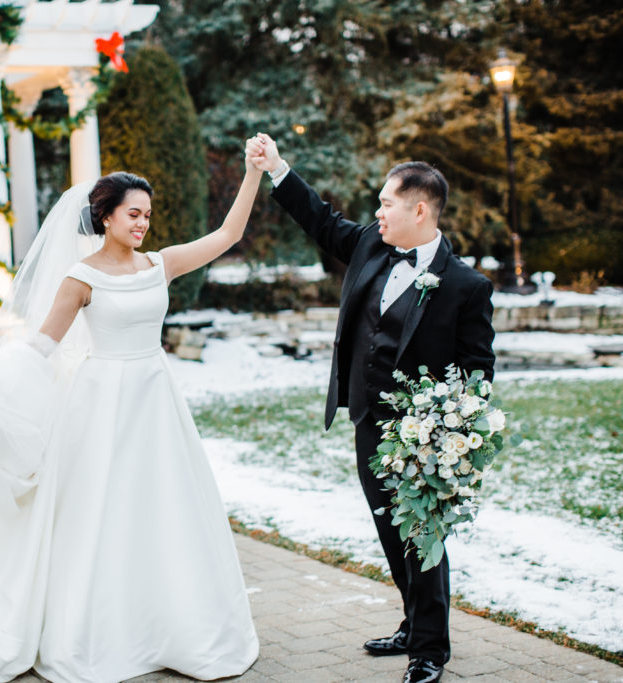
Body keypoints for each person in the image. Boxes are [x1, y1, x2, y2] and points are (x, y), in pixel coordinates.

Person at [0, 148, 263, 682]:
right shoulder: (80, 277)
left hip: (156, 404)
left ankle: (176, 627)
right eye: (134, 213)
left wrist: (252, 174)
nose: (143, 223)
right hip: (100, 405)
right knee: (97, 514)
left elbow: (227, 236)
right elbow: (39, 347)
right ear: (106, 216)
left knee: (164, 508)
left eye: (148, 215)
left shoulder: (160, 265)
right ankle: (98, 633)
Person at [247, 134, 495, 683]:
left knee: (422, 535)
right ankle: (414, 622)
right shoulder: (370, 245)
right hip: (368, 419)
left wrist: (454, 431)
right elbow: (320, 220)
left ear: (420, 209)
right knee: (389, 528)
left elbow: (478, 368)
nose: (377, 211)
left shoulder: (465, 286)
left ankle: (429, 650)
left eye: (387, 202)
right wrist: (279, 169)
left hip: (425, 434)